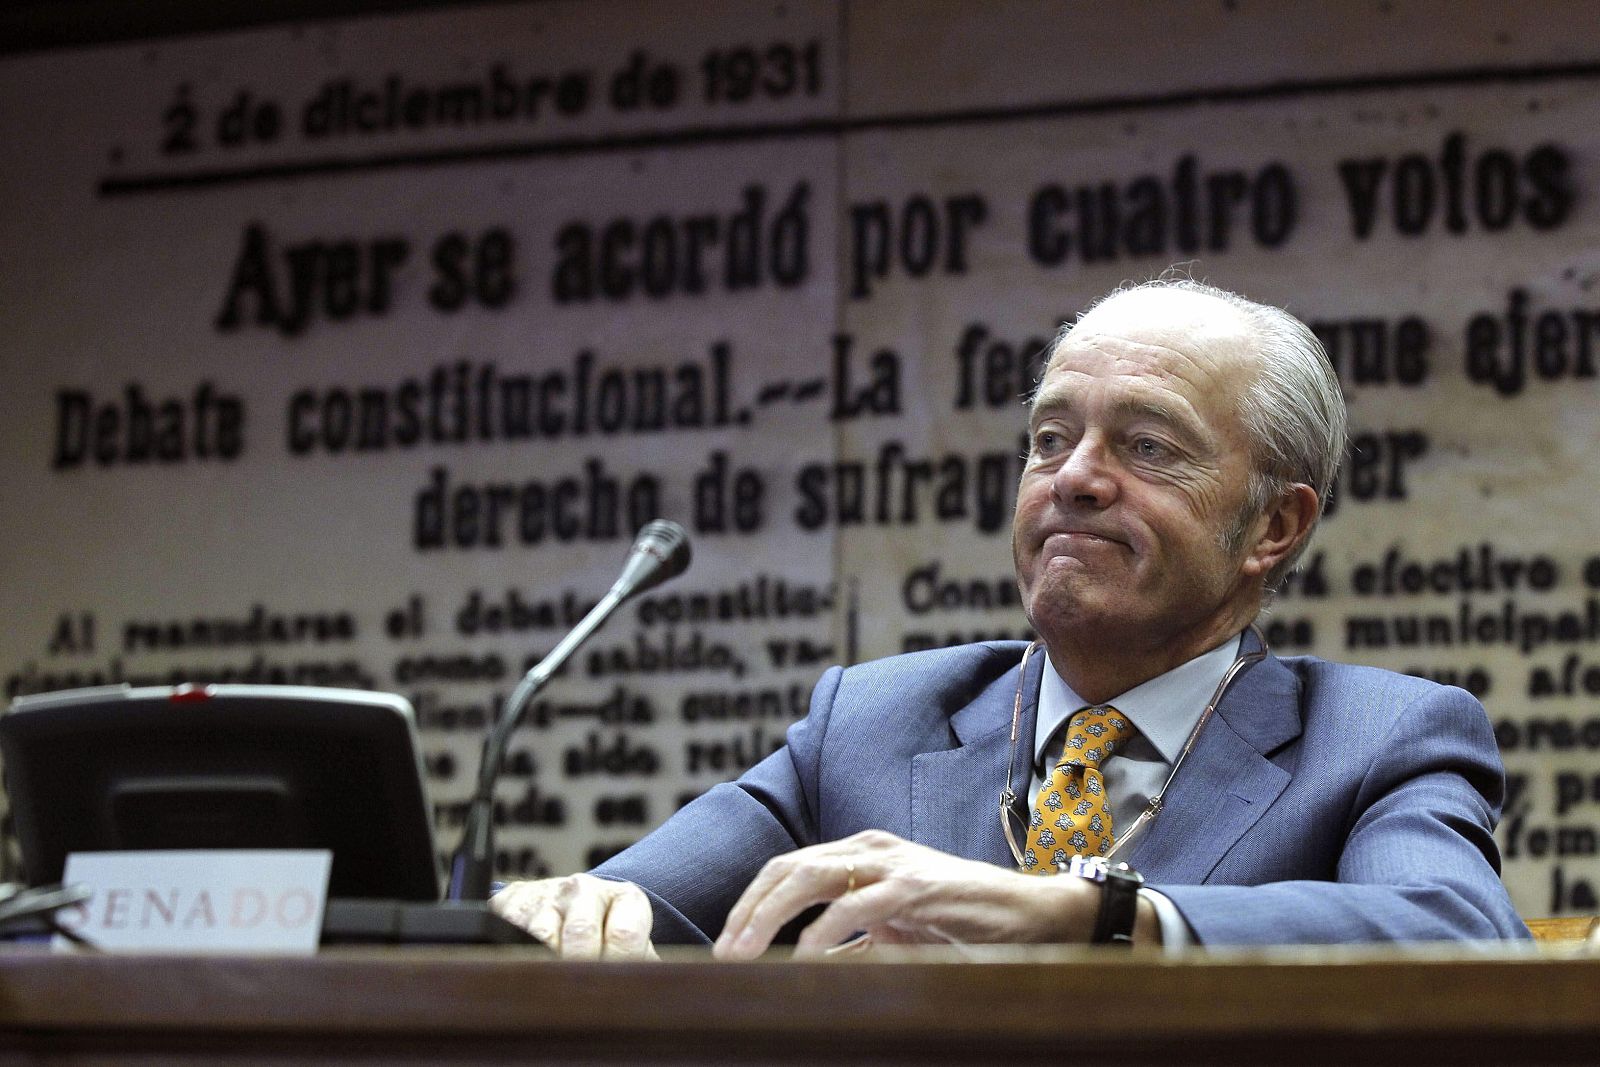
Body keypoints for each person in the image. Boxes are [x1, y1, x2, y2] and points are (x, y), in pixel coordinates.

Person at [490, 278, 1528, 958]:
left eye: (1147, 446)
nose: (1074, 477)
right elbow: (632, 904)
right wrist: (563, 911)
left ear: (1273, 524)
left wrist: (1094, 911)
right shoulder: (874, 719)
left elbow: (1461, 935)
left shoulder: (1378, 738)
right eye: (1049, 438)